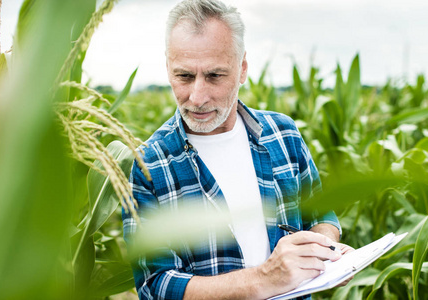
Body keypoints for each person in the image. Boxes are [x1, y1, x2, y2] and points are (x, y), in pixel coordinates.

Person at [123, 0, 352, 299]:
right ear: (168, 68)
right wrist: (264, 280)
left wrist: (325, 248)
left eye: (215, 76)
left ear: (242, 69)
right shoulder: (150, 165)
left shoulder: (284, 135)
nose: (198, 96)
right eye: (184, 76)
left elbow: (321, 214)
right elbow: (156, 285)